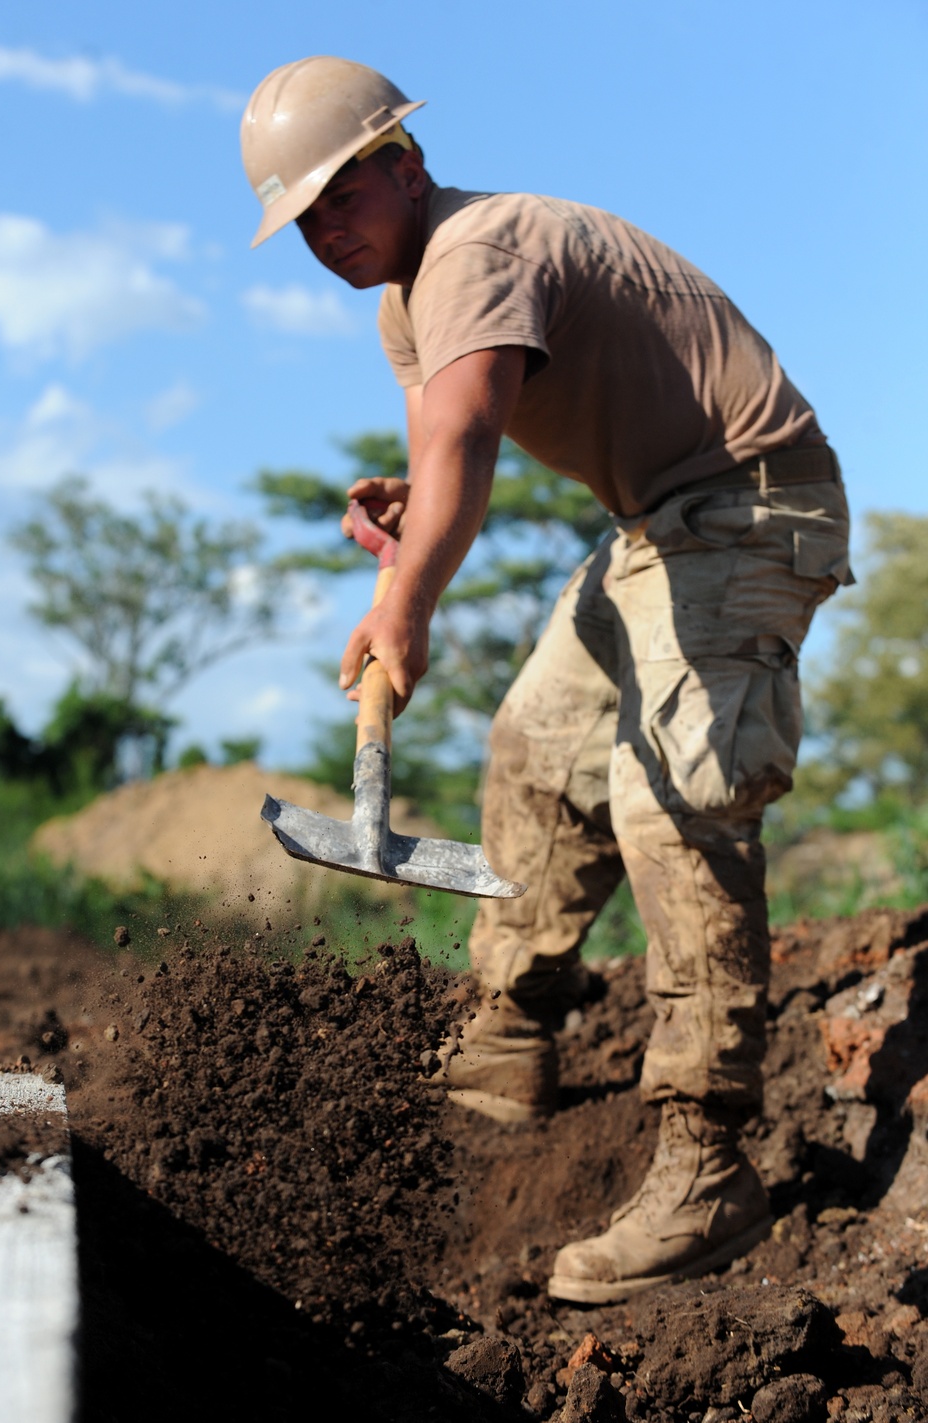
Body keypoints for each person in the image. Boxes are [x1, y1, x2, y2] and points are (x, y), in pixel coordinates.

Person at [240, 56, 851, 1304]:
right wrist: (410, 519)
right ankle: (508, 1035)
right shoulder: (409, 303)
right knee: (533, 742)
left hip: (748, 502)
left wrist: (401, 604)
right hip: (650, 526)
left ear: (405, 164)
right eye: (301, 219)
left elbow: (468, 435)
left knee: (673, 789)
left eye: (341, 199)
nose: (325, 233)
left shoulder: (474, 245)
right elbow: (447, 445)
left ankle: (706, 1157)